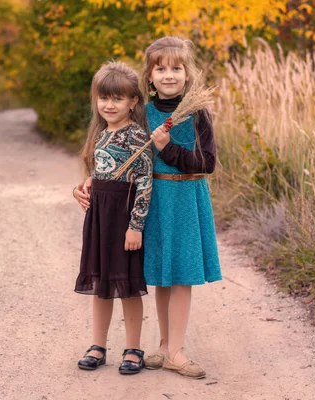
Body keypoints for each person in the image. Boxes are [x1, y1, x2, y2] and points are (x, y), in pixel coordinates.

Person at [139, 36, 222, 379]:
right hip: (156, 200)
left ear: (188, 75)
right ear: (150, 76)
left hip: (187, 198)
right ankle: (162, 344)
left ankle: (177, 350)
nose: (169, 75)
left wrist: (168, 148)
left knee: (183, 277)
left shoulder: (197, 111)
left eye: (176, 68)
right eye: (161, 68)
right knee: (161, 275)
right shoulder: (142, 113)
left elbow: (208, 162)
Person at [72, 61, 153, 375]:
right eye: (103, 98)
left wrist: (136, 227)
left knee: (128, 286)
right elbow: (97, 173)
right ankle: (98, 345)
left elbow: (145, 183)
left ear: (133, 102)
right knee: (101, 281)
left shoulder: (136, 136)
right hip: (99, 218)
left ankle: (133, 348)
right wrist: (81, 187)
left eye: (117, 99)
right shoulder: (100, 132)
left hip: (122, 219)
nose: (108, 104)